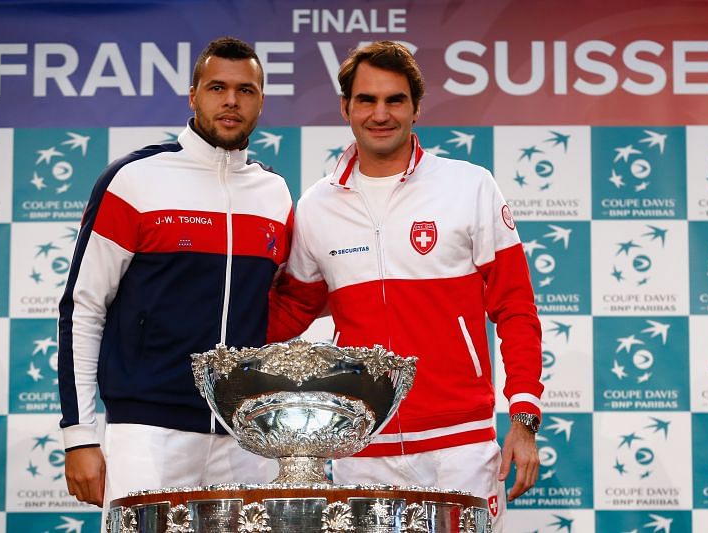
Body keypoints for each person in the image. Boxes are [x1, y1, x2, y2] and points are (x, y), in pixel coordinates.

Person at [268, 41, 542, 531]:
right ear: (346, 108)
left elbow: (516, 307)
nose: (381, 114)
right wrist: (203, 332)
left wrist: (523, 416)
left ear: (416, 108)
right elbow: (292, 310)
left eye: (395, 100)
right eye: (367, 100)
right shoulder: (316, 206)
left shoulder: (469, 186)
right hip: (361, 448)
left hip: (458, 446)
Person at [58, 37, 288, 513]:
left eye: (245, 90)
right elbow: (84, 308)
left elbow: (286, 309)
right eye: (217, 87)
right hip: (148, 432)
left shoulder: (275, 193)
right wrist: (79, 436)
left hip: (247, 436)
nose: (230, 100)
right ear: (193, 95)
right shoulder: (134, 179)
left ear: (261, 101)